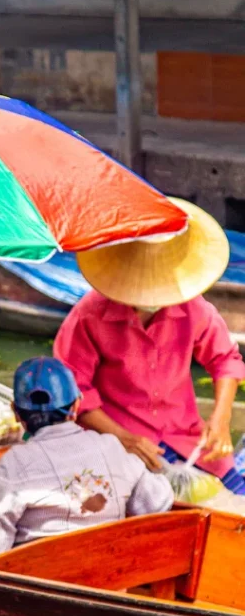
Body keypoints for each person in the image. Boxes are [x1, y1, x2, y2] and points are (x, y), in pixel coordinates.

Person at [54, 197, 245, 492]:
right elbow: (74, 390)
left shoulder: (191, 306)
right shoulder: (89, 316)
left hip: (186, 437)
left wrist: (221, 418)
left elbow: (226, 360)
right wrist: (122, 438)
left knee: (234, 502)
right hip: (116, 441)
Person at [0, 357, 173, 564]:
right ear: (75, 406)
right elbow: (157, 503)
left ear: (16, 413)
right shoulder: (111, 447)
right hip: (108, 581)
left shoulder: (11, 465)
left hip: (37, 590)